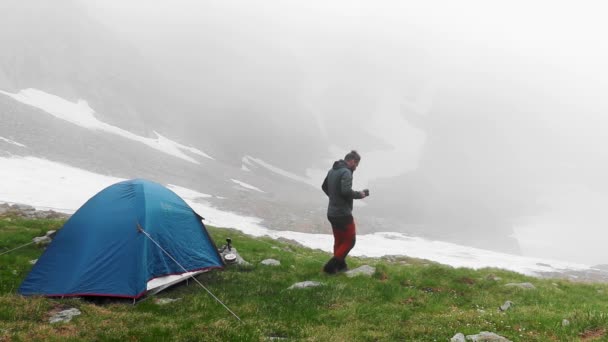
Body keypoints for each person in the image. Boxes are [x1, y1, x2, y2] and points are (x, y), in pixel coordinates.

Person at [321, 150, 368, 274]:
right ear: (352, 161)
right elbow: (346, 191)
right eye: (356, 164)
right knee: (350, 241)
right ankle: (330, 267)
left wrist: (334, 198)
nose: (356, 167)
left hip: (331, 212)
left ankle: (341, 267)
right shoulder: (346, 172)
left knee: (339, 240)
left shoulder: (332, 171)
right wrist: (360, 194)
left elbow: (324, 187)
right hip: (343, 214)